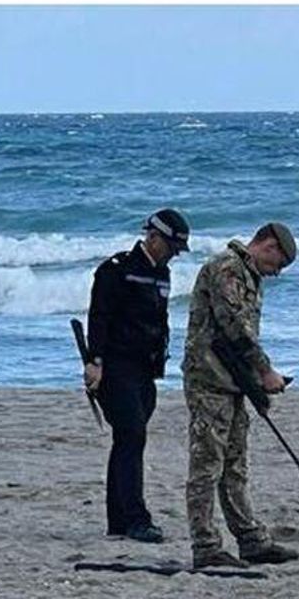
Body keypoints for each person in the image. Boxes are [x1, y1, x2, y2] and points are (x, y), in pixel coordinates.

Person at [182, 222, 299, 568]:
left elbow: (241, 335)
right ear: (267, 245)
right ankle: (206, 547)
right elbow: (234, 327)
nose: (276, 273)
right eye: (277, 264)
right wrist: (265, 372)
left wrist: (254, 379)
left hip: (233, 381)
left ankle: (251, 540)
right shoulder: (227, 269)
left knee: (235, 465)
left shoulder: (248, 276)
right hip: (209, 381)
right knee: (207, 466)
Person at [83, 208, 190, 543]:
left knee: (127, 440)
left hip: (146, 370)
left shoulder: (162, 274)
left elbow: (160, 322)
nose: (173, 255)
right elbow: (99, 318)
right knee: (133, 436)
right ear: (153, 237)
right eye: (171, 247)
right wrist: (94, 362)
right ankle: (135, 518)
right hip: (116, 367)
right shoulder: (116, 270)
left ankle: (117, 520)